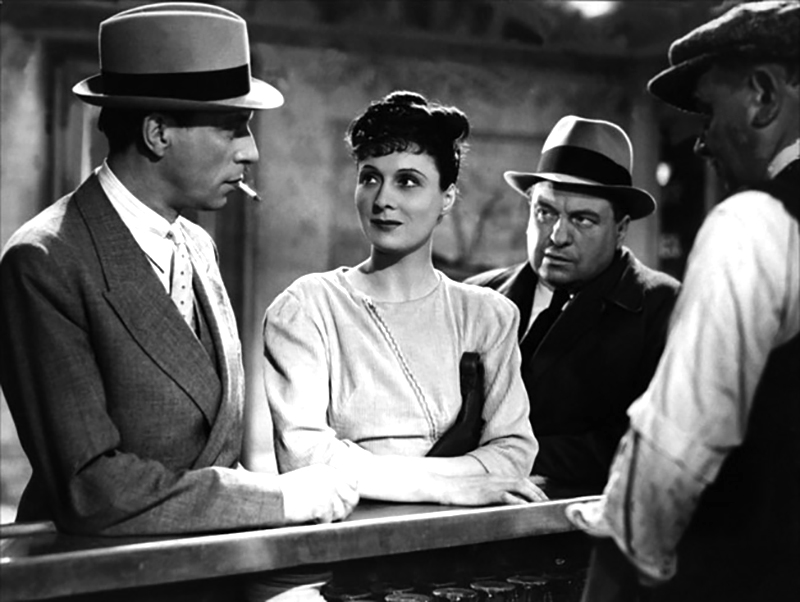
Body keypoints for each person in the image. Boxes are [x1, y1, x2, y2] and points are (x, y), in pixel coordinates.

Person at [0, 2, 358, 538]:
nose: (252, 152)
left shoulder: (197, 246)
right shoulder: (46, 261)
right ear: (158, 133)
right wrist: (279, 498)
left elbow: (210, 446)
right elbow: (93, 490)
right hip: (101, 572)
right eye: (233, 128)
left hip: (205, 565)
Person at [567, 2, 800, 600]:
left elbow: (670, 458)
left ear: (763, 96)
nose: (700, 142)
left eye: (710, 111)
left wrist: (614, 576)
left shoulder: (755, 224)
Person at [245, 91, 546, 507]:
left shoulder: (487, 315)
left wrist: (364, 470)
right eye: (370, 178)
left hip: (467, 536)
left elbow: (512, 453)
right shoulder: (307, 308)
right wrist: (451, 485)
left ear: (447, 197)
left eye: (407, 181)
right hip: (349, 537)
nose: (383, 199)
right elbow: (305, 456)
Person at [466, 116, 680, 492]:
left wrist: (504, 459)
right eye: (545, 212)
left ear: (621, 229)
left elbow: (644, 445)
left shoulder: (661, 307)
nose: (557, 235)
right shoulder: (477, 297)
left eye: (582, 220)